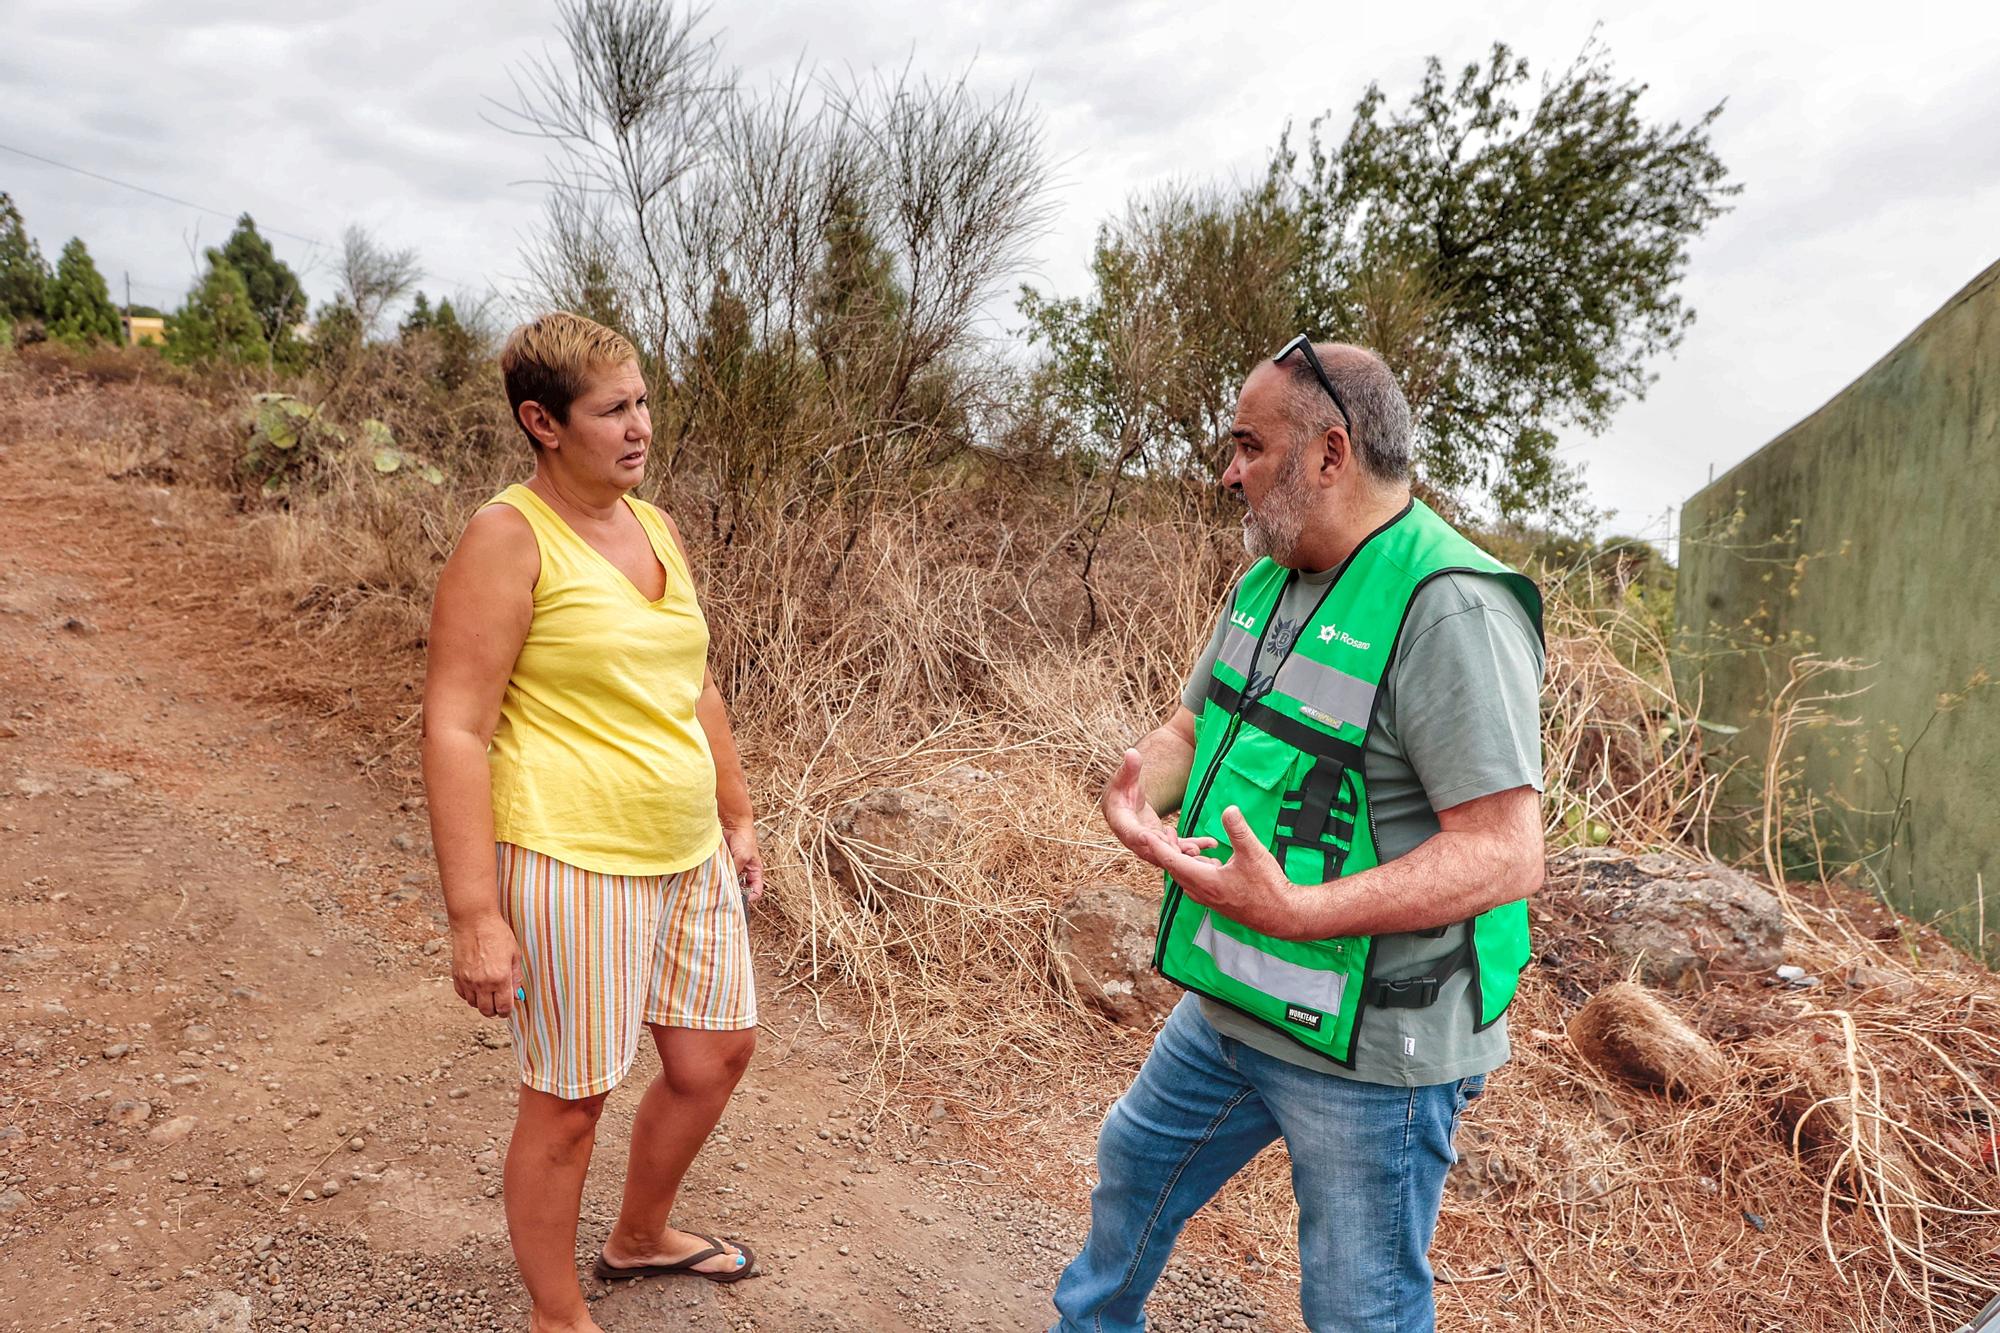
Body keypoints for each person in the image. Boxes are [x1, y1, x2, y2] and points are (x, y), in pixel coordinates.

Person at [1050, 339, 1547, 1333]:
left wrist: (1300, 911)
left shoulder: (1447, 608)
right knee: (1133, 1166)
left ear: (1328, 453)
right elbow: (1194, 727)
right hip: (1236, 998)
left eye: (1247, 446)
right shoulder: (1269, 576)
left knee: (1357, 1307)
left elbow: (1505, 850)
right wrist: (1137, 796)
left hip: (1374, 1049)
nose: (1226, 471)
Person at [421, 312, 765, 1333]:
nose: (638, 427)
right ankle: (557, 1314)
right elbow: (455, 729)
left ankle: (638, 1236)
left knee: (714, 1058)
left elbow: (690, 682)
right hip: (572, 857)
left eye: (642, 402)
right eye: (612, 409)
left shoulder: (650, 524)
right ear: (541, 420)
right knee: (569, 1102)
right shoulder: (507, 536)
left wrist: (735, 813)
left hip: (684, 850)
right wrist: (472, 912)